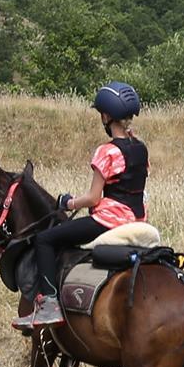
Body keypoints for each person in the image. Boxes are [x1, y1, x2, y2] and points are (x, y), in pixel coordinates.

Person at [16, 83, 148, 328]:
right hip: (138, 220)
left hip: (107, 222)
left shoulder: (106, 152)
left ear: (107, 116)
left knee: (44, 239)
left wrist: (68, 202)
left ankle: (50, 305)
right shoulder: (140, 148)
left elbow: (94, 198)